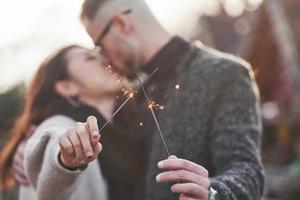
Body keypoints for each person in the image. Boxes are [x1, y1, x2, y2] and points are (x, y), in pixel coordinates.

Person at [80, 0, 265, 199]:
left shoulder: (225, 74)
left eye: (99, 45)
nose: (103, 58)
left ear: (121, 24)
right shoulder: (131, 93)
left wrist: (212, 192)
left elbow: (247, 170)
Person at [0, 45, 129, 200]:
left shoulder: (135, 121)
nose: (105, 60)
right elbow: (55, 137)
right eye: (90, 58)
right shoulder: (58, 124)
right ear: (68, 87)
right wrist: (64, 161)